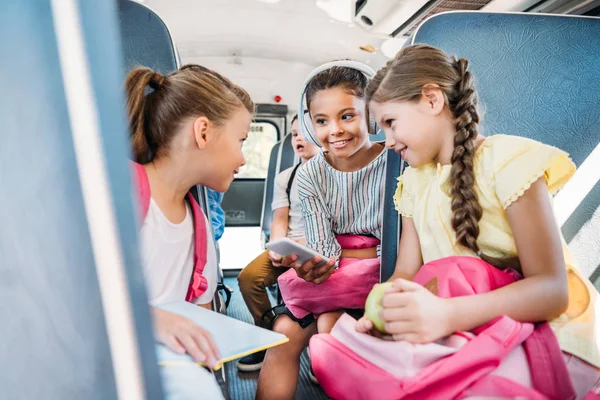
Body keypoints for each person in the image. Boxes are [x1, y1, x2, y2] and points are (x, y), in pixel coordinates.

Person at [356, 44, 600, 398]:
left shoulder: (507, 162)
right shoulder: (413, 181)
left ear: (431, 100)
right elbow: (406, 273)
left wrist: (447, 314)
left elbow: (552, 291)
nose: (389, 141)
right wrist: (384, 313)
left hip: (555, 335)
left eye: (391, 123)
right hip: (474, 326)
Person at [256, 64, 387, 399]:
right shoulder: (310, 175)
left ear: (370, 114)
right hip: (337, 277)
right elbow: (323, 246)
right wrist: (312, 265)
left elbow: (397, 248)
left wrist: (358, 255)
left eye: (347, 116)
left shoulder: (394, 160)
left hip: (388, 276)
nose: (335, 131)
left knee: (335, 329)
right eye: (322, 120)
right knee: (283, 331)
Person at [125, 64, 254, 398]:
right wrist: (150, 318)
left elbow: (202, 313)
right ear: (203, 132)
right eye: (241, 140)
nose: (242, 158)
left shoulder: (199, 227)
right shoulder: (121, 190)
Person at [236, 113, 320, 372]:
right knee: (248, 278)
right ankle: (269, 337)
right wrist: (276, 245)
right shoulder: (286, 177)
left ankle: (321, 350)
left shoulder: (336, 174)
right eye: (294, 134)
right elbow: (280, 218)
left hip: (320, 247)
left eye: (304, 133)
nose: (298, 139)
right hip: (290, 246)